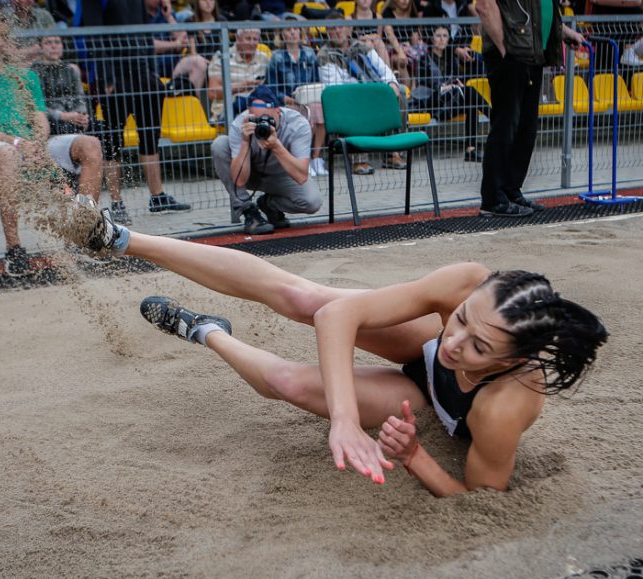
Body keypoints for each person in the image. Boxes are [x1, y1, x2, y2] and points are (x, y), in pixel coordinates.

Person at [73, 211, 608, 493]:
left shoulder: (505, 405)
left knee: (291, 385)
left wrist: (415, 455)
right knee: (307, 299)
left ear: (511, 359)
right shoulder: (463, 285)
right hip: (412, 351)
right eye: (463, 320)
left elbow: (478, 493)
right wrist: (345, 421)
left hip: (429, 405)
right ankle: (121, 239)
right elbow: (335, 316)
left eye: (479, 346)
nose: (455, 343)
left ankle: (206, 330)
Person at [0, 9, 105, 276]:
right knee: (8, 154)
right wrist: (18, 143)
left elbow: (40, 119)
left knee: (90, 144)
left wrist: (35, 143)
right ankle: (15, 251)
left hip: (29, 144)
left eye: (3, 37)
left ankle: (86, 234)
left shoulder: (25, 76)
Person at [76, 0, 192, 214]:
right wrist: (106, 78)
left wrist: (153, 75)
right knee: (113, 141)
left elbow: (145, 33)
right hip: (115, 78)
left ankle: (158, 197)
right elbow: (93, 35)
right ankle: (117, 202)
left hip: (143, 76)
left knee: (150, 136)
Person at [475, 0, 585, 217]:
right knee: (506, 126)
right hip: (511, 56)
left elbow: (537, 15)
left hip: (532, 56)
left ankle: (509, 190)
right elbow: (484, 6)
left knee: (526, 129)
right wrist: (504, 49)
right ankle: (493, 199)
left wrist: (564, 32)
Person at [31, 35, 132, 225]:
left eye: (57, 42)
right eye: (48, 43)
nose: (54, 46)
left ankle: (117, 201)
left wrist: (82, 115)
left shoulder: (70, 69)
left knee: (109, 135)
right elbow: (38, 106)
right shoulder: (34, 72)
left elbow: (79, 97)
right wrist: (64, 116)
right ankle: (77, 201)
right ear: (41, 47)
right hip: (53, 122)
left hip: (76, 119)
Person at [211, 85, 323, 234]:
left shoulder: (298, 124)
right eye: (257, 119)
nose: (262, 124)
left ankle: (269, 204)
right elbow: (239, 180)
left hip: (282, 175)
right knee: (220, 144)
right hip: (251, 173)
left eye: (267, 119)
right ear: (249, 114)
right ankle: (249, 211)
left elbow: (301, 176)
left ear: (279, 111)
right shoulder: (240, 125)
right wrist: (245, 142)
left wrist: (277, 146)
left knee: (312, 201)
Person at [317, 11, 406, 174]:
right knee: (357, 103)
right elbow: (336, 89)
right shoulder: (324, 55)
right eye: (332, 29)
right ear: (327, 32)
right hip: (348, 99)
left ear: (347, 28)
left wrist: (391, 83)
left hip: (370, 91)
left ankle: (393, 153)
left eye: (340, 27)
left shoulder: (361, 47)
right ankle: (359, 160)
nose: (337, 31)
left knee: (399, 91)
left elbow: (383, 70)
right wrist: (366, 92)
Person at [413, 26, 491, 163]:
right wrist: (446, 86)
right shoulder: (424, 60)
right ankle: (495, 119)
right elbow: (424, 84)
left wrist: (456, 84)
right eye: (438, 36)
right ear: (432, 39)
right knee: (470, 93)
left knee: (470, 98)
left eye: (445, 36)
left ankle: (471, 150)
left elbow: (456, 78)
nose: (442, 39)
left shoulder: (451, 59)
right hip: (433, 103)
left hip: (451, 100)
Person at [265, 25, 328, 178]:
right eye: (287, 29)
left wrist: (307, 96)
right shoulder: (276, 57)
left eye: (295, 29)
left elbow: (315, 80)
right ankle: (303, 159)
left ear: (301, 33)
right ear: (282, 35)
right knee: (302, 112)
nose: (292, 32)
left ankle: (315, 158)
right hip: (288, 101)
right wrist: (292, 100)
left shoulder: (309, 53)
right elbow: (272, 88)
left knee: (319, 109)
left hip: (308, 98)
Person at [207, 28, 271, 121]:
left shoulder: (264, 58)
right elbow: (213, 93)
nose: (252, 43)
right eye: (248, 39)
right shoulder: (221, 57)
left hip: (258, 109)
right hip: (227, 111)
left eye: (255, 39)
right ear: (238, 38)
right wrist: (243, 86)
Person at [7, 0, 56, 64]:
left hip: (44, 62)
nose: (30, 0)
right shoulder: (6, 20)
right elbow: (9, 54)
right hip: (18, 65)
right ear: (15, 1)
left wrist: (22, 52)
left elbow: (54, 45)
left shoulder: (44, 15)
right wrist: (32, 49)